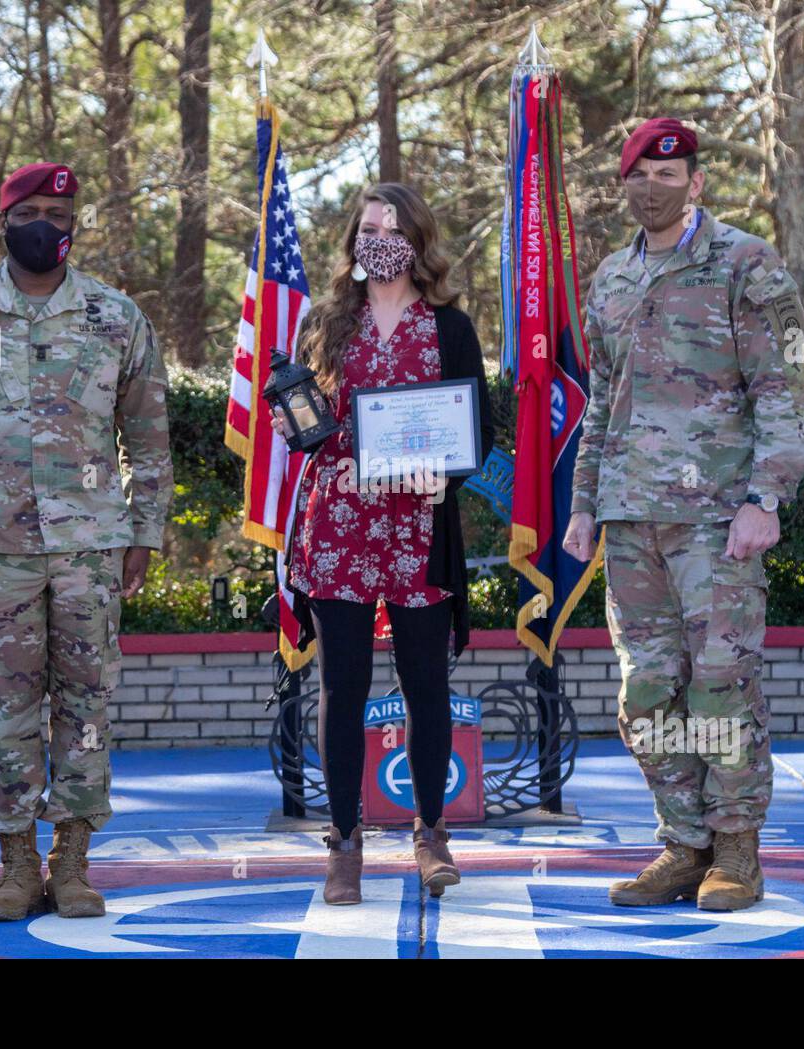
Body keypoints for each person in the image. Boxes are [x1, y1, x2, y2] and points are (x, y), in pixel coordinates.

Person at [0, 162, 173, 921]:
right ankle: (17, 864)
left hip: (90, 545)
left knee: (86, 707)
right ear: (5, 219)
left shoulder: (115, 317)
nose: (51, 224)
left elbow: (148, 437)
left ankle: (74, 860)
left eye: (63, 210)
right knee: (6, 709)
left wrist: (145, 531)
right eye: (36, 211)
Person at [562, 119, 804, 911]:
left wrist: (764, 497)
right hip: (631, 518)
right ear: (625, 185)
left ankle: (737, 850)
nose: (652, 187)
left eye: (668, 174)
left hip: (717, 519)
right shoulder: (608, 280)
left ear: (695, 182)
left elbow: (783, 385)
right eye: (638, 174)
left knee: (719, 684)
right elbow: (602, 401)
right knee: (648, 691)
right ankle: (683, 843)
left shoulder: (743, 262)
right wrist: (583, 505)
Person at [276, 182, 494, 905]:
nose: (380, 239)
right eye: (368, 227)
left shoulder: (451, 327)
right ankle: (344, 846)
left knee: (425, 686)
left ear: (418, 240)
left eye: (394, 228)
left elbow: (477, 429)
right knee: (344, 687)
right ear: (354, 241)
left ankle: (431, 833)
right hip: (340, 523)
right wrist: (293, 428)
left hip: (419, 527)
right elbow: (312, 421)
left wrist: (448, 479)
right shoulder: (328, 321)